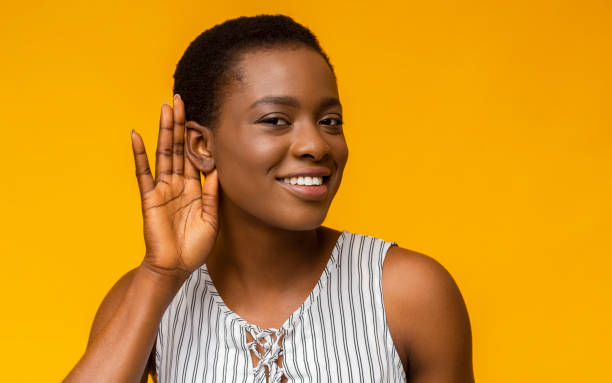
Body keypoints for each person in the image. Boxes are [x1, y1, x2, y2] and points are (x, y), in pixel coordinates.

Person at [63, 14, 474, 383]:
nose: (316, 144)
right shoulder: (145, 298)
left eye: (330, 121)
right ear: (201, 145)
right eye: (276, 120)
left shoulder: (408, 293)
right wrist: (159, 276)